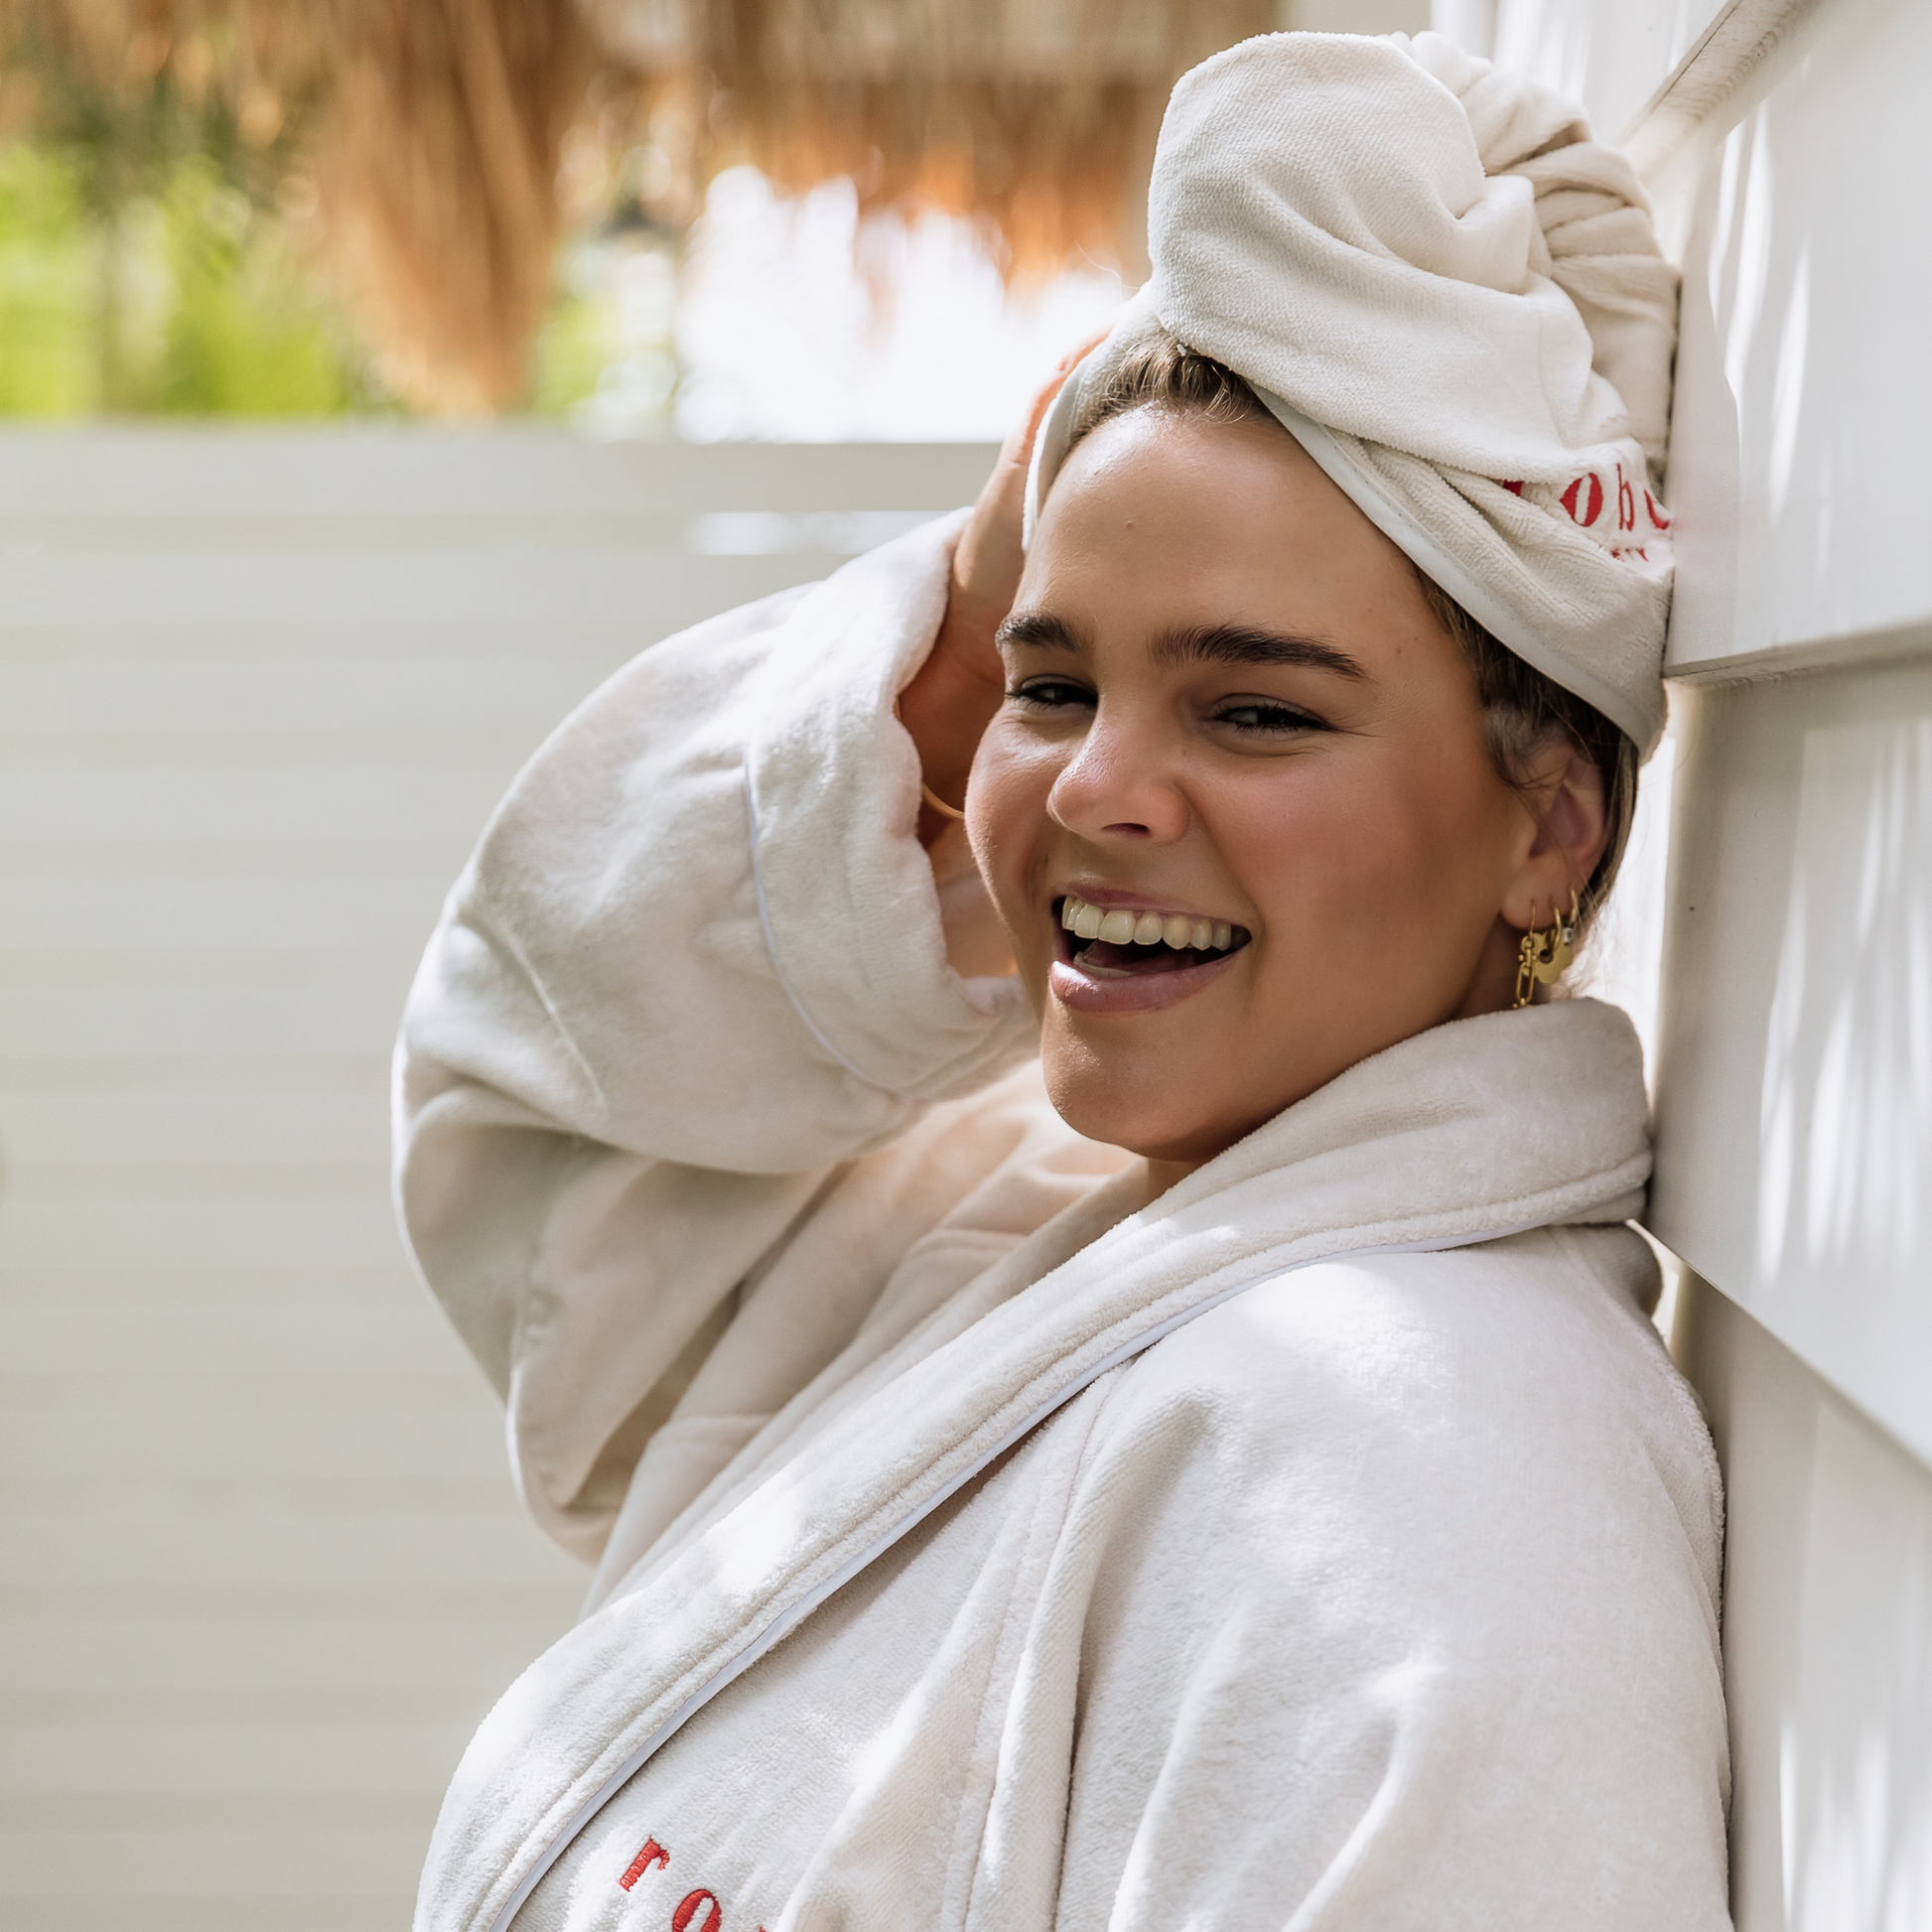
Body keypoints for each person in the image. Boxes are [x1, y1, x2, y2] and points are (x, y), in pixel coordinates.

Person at [398, 30, 1728, 1932]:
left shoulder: (1429, 1491)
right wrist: (948, 636)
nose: (1094, 787)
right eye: (1053, 682)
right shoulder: (1022, 1247)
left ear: (1551, 826)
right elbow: (545, 1120)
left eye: (1255, 707)